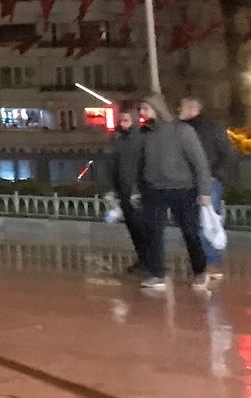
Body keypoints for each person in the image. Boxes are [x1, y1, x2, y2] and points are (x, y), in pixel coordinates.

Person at [131, 94, 214, 293]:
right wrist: (136, 190)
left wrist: (204, 191)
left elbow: (200, 162)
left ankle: (200, 271)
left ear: (156, 108)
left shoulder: (183, 131)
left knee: (191, 233)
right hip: (153, 190)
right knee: (153, 234)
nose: (142, 113)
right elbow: (138, 164)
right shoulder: (145, 134)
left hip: (183, 190)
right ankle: (157, 274)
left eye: (145, 108)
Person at [177, 94, 236, 268]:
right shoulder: (185, 128)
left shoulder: (208, 128)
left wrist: (213, 175)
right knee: (197, 223)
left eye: (182, 106)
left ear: (192, 108)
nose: (179, 109)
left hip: (206, 183)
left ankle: (210, 262)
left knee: (207, 223)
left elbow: (227, 155)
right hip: (190, 182)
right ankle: (204, 262)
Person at [96, 104, 145, 273]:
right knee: (133, 228)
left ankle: (149, 262)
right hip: (123, 191)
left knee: (142, 228)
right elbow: (110, 165)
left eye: (126, 120)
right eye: (121, 120)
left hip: (137, 191)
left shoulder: (140, 138)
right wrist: (110, 189)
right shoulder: (118, 138)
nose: (123, 124)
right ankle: (142, 259)